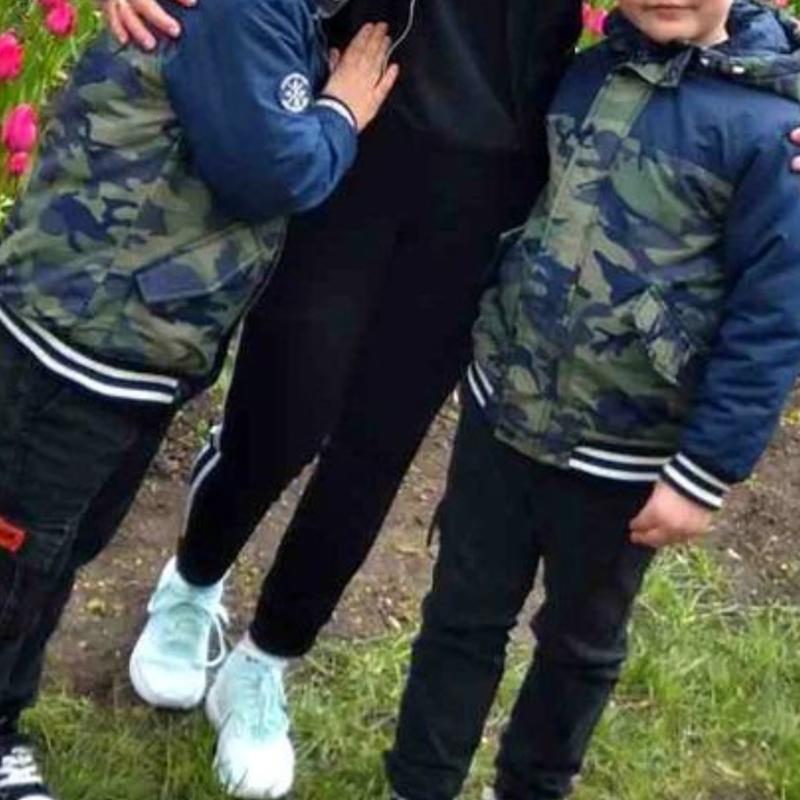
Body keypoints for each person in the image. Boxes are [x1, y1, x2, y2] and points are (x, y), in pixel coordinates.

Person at [108, 0, 582, 797]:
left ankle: (268, 657)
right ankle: (193, 579)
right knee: (282, 412)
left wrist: (764, 76)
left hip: (493, 171)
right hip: (358, 121)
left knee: (377, 446)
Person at [384, 1, 800, 798]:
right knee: (460, 618)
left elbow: (774, 319)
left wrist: (704, 472)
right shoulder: (584, 73)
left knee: (579, 644)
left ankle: (534, 785)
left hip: (626, 460)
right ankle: (419, 782)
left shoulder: (771, 133)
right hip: (503, 418)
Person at [0, 4, 398, 799]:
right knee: (21, 560)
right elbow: (270, 171)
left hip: (129, 341)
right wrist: (340, 113)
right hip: (82, 336)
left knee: (55, 552)